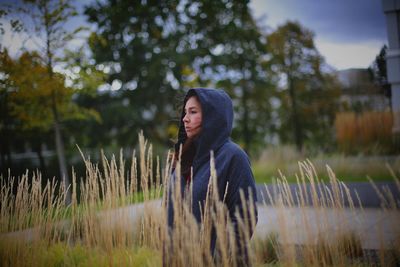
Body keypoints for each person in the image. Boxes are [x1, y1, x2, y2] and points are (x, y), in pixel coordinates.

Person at [167, 88, 258, 265]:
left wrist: (222, 257)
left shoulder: (233, 156)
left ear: (212, 116)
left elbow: (245, 217)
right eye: (185, 112)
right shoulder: (182, 156)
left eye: (193, 112)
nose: (185, 118)